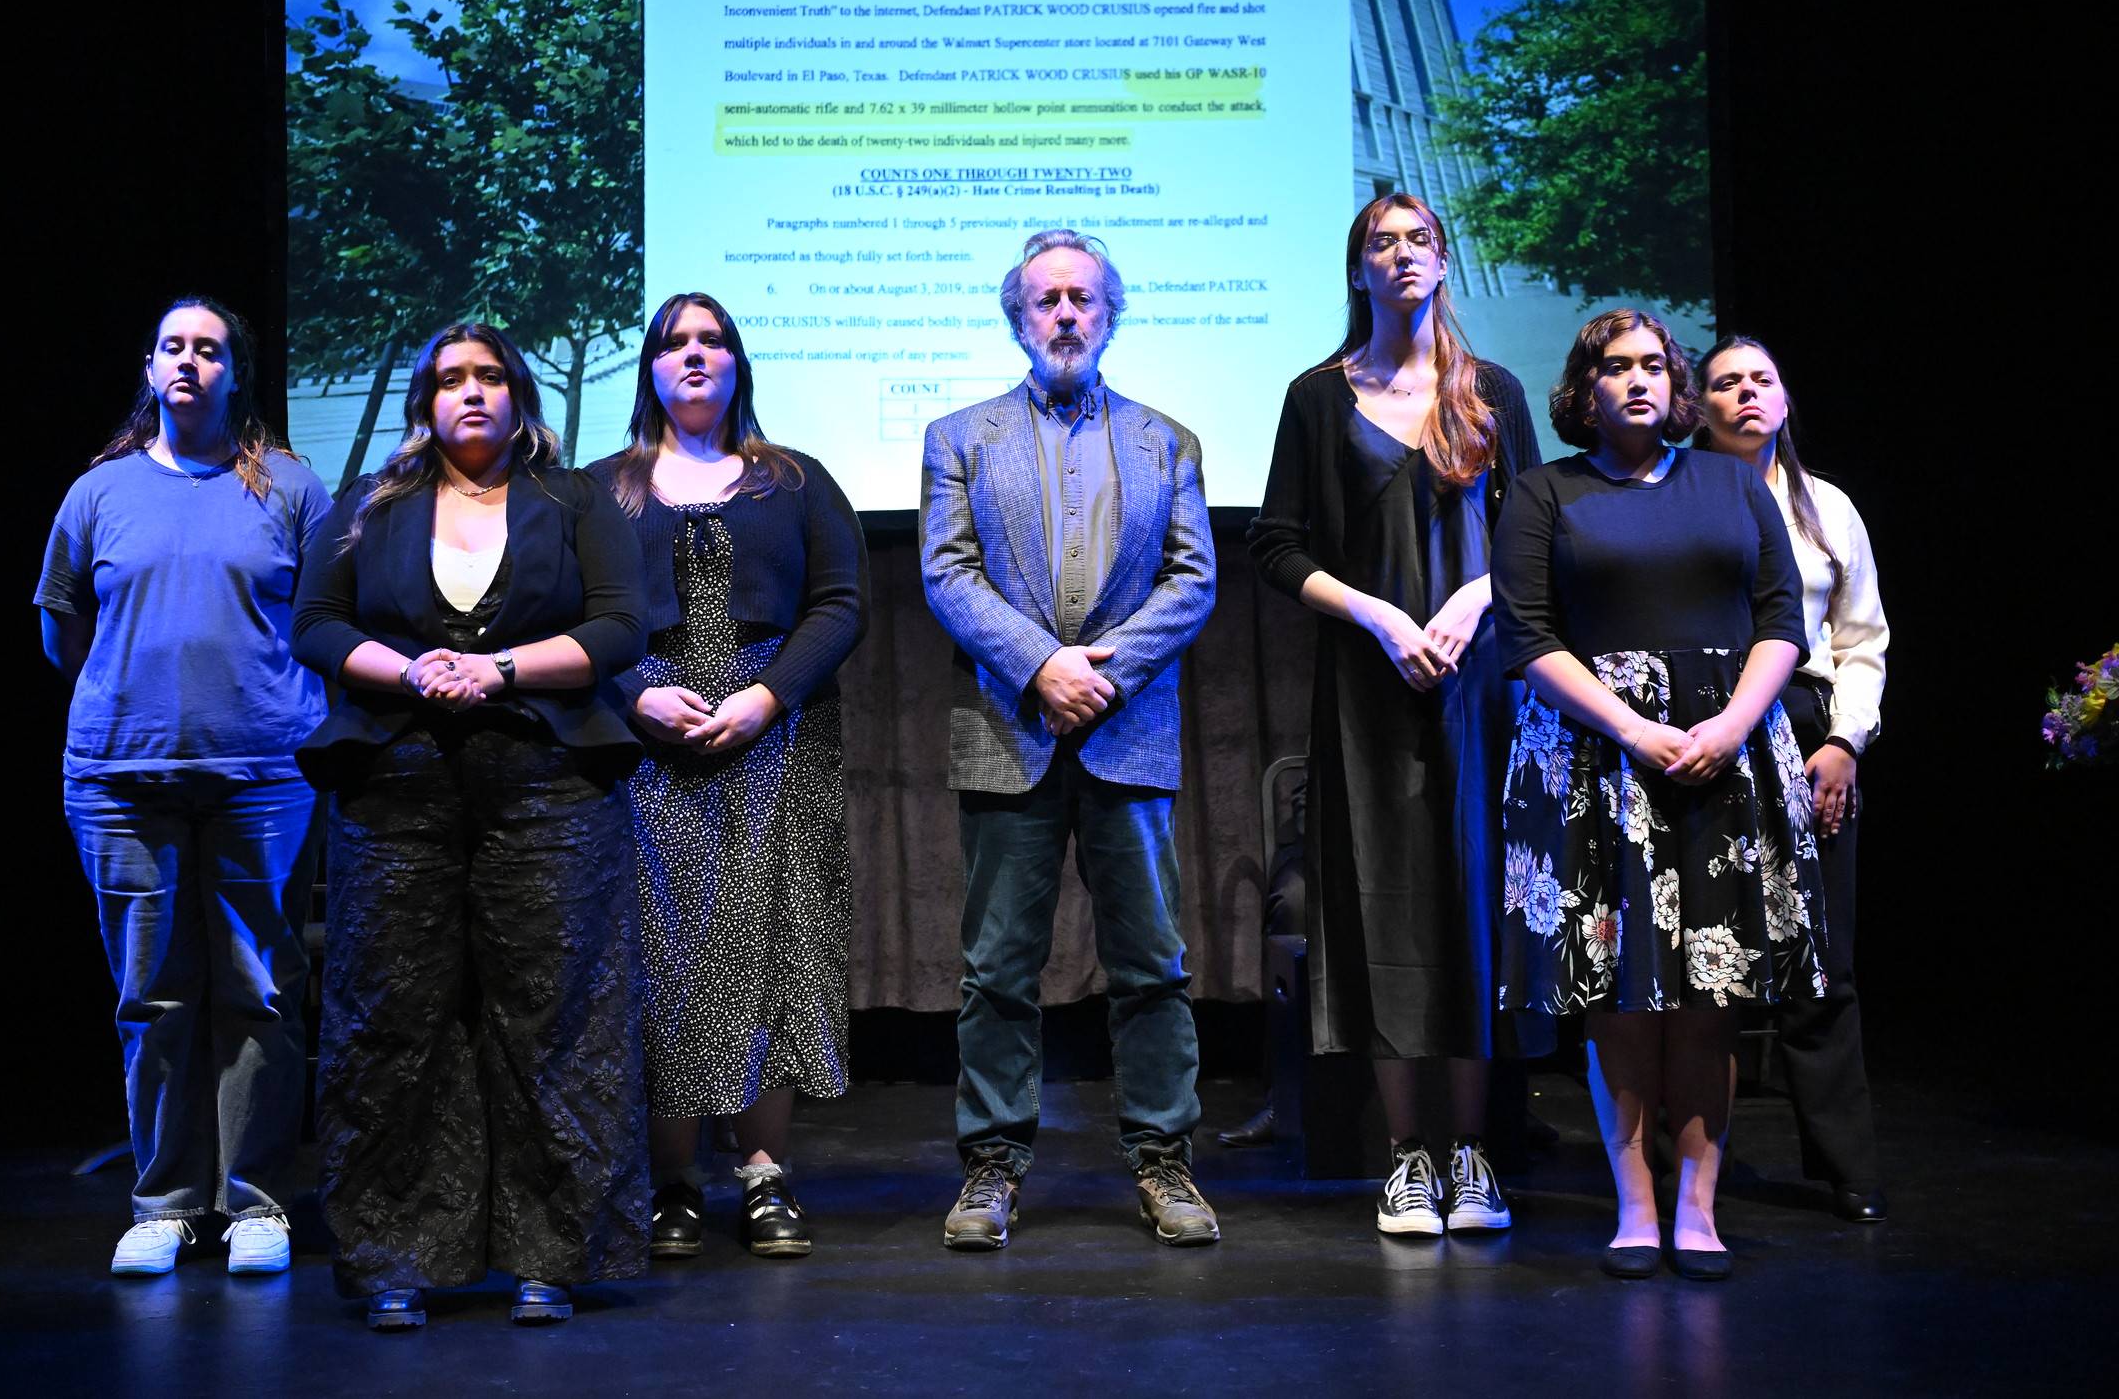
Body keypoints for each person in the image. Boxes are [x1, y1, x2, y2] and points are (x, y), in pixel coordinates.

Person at [292, 322, 649, 1331]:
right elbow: (315, 623)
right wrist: (409, 671)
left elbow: (620, 627)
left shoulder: (576, 499)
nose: (472, 393)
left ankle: (550, 1256)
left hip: (546, 779)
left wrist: (496, 670)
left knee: (554, 1016)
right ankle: (393, 1258)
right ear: (423, 403)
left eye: (491, 375)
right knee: (391, 1017)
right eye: (450, 380)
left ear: (519, 392)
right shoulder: (372, 502)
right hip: (397, 780)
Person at [1493, 308, 1829, 1282]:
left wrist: (1728, 727)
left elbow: (1780, 619)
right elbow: (1525, 635)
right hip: (1599, 764)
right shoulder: (1543, 491)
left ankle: (1698, 1207)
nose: (1637, 380)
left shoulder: (1729, 481)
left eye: (1654, 366)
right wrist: (1634, 728)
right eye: (1614, 367)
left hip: (1726, 755)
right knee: (1620, 996)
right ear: (1582, 388)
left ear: (1675, 385)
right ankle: (1634, 1207)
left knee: (1707, 998)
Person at [918, 227, 1220, 1250]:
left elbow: (1193, 582)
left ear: (1110, 314)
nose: (1062, 315)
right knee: (997, 969)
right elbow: (947, 575)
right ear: (1016, 318)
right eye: (1043, 300)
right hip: (1010, 729)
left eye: (1081, 300)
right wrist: (1041, 666)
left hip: (1127, 732)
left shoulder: (1166, 440)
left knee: (1151, 964)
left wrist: (1102, 672)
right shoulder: (958, 437)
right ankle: (991, 1168)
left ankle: (1163, 1161)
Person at [1248, 193, 1538, 1238]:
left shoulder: (1491, 392)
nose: (1401, 255)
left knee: (1469, 914)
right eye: (1381, 242)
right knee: (1379, 915)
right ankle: (1407, 1156)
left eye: (1418, 239)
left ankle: (1472, 1157)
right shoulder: (1317, 399)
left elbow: (1535, 542)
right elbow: (1276, 546)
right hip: (1369, 693)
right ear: (1356, 271)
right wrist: (1376, 615)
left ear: (1445, 262)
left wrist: (1468, 604)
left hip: (1475, 690)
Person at [35, 296, 330, 1278]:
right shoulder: (101, 492)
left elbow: (329, 625)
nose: (191, 363)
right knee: (154, 996)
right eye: (174, 347)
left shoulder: (289, 487)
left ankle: (254, 1204)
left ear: (235, 372)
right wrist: (138, 698)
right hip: (121, 779)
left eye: (209, 350)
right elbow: (62, 629)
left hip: (262, 776)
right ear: (151, 368)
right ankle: (162, 1204)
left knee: (259, 989)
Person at [589, 292, 867, 1261]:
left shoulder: (792, 481)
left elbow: (839, 603)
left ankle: (761, 1175)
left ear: (739, 363)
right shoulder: (601, 489)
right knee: (663, 960)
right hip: (646, 750)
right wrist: (632, 697)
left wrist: (766, 698)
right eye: (676, 343)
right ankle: (672, 1183)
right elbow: (566, 613)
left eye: (713, 341)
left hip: (772, 736)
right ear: (652, 370)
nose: (696, 356)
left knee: (771, 952)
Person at [1694, 335, 1890, 1222]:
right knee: (1705, 963)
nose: (1745, 394)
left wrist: (1846, 741)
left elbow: (1862, 643)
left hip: (1808, 729)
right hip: (1705, 722)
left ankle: (1845, 1165)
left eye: (1760, 380)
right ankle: (1690, 1168)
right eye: (1725, 383)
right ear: (1697, 407)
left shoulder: (1829, 507)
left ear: (1783, 399)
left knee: (1823, 959)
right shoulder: (1677, 496)